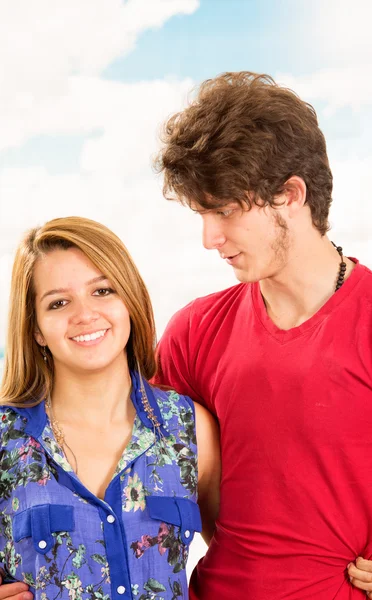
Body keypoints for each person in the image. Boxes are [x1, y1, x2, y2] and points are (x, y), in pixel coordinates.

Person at [153, 72, 372, 599]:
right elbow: (127, 469)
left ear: (290, 195)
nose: (208, 238)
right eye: (201, 214)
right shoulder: (194, 332)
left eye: (224, 211)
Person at [0, 217, 220, 600]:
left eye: (102, 291)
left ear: (129, 301)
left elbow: (243, 559)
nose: (85, 314)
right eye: (59, 302)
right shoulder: (5, 438)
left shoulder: (189, 428)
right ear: (36, 328)